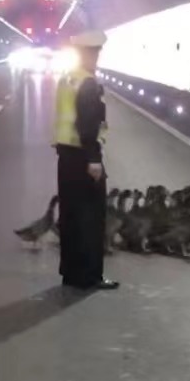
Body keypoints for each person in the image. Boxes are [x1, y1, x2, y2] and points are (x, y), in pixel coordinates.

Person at [54, 30, 119, 290]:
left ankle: (70, 273)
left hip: (66, 156)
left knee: (70, 216)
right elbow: (88, 124)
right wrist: (94, 160)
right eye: (96, 53)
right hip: (83, 157)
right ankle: (89, 277)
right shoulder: (88, 82)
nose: (97, 58)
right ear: (90, 54)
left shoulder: (68, 77)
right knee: (90, 219)